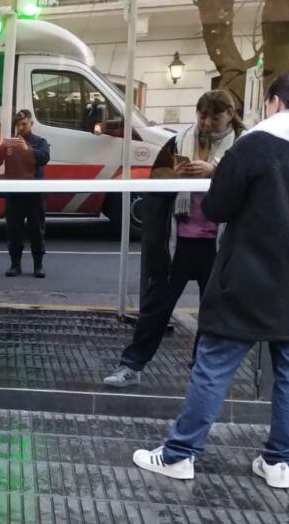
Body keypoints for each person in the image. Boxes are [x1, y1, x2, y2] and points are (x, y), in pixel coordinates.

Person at [134, 72, 289, 489]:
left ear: (275, 103)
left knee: (214, 365)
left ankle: (180, 454)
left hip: (251, 276)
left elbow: (216, 207)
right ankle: (280, 464)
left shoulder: (257, 144)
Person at [104, 91, 243, 388]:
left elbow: (248, 187)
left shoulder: (243, 145)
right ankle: (131, 365)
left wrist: (215, 172)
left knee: (213, 312)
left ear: (231, 115)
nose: (205, 123)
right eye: (201, 115)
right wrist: (173, 175)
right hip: (177, 240)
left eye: (214, 117)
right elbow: (156, 183)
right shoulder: (178, 141)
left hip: (219, 244)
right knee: (155, 308)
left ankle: (200, 371)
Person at [0, 109, 50, 278]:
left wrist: (27, 150)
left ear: (31, 123)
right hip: (15, 194)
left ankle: (38, 266)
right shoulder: (10, 143)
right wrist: (0, 149)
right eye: (18, 124)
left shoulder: (40, 142)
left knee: (36, 230)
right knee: (14, 231)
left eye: (24, 124)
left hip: (34, 194)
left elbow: (45, 157)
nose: (21, 127)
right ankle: (15, 265)